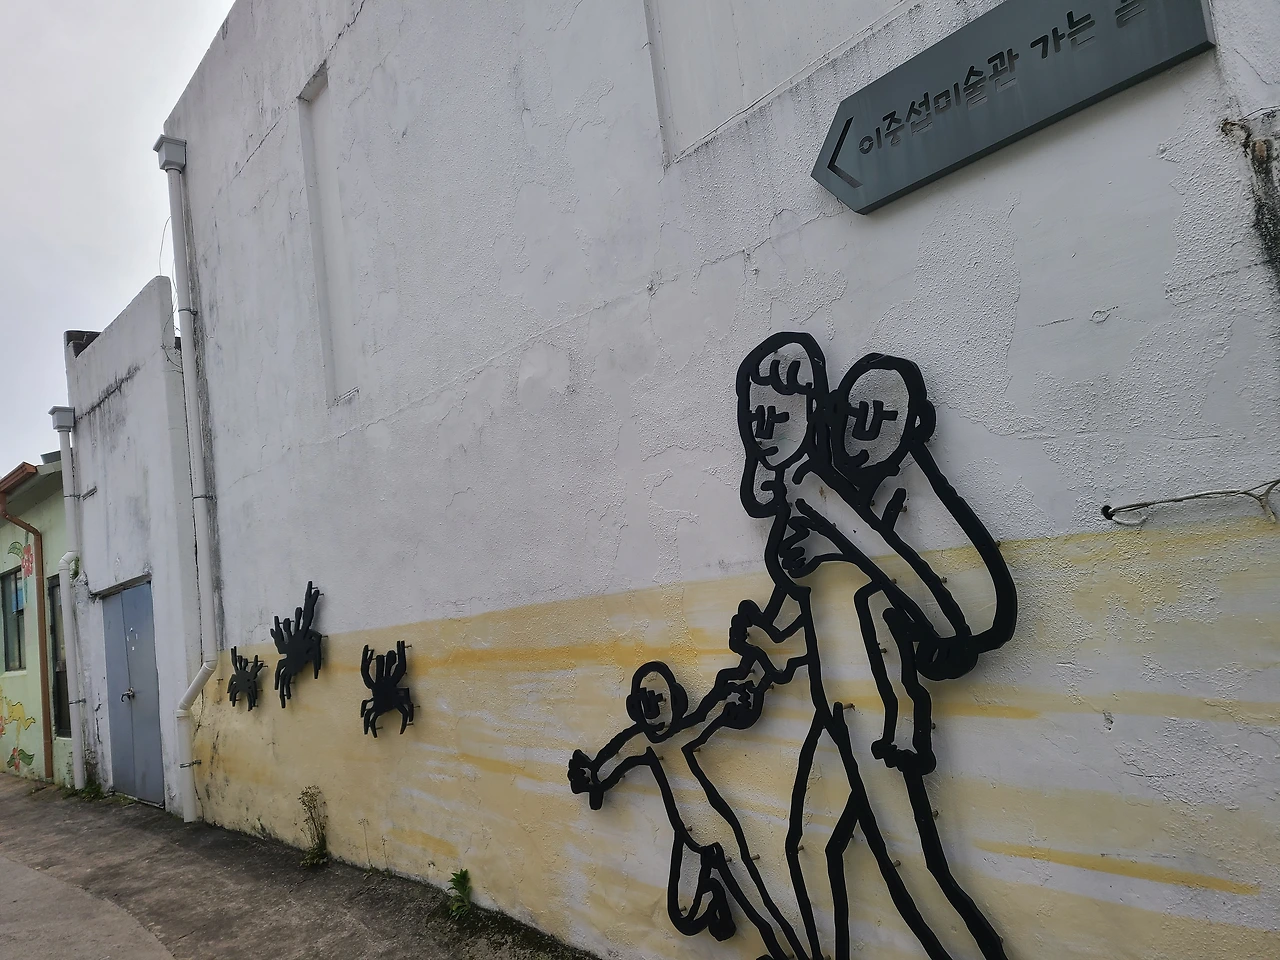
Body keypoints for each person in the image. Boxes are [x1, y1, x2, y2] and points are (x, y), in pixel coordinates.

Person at [736, 338, 1015, 960]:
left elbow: (901, 572)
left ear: (812, 412)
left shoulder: (817, 488)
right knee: (810, 848)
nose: (764, 429)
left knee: (911, 868)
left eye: (778, 412)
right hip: (838, 708)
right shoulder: (809, 503)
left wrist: (945, 631)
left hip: (876, 713)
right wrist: (765, 646)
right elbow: (817, 611)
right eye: (757, 415)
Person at [569, 656, 808, 960]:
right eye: (646, 705)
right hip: (690, 833)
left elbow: (717, 701)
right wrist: (592, 774)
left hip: (715, 826)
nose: (654, 712)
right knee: (685, 917)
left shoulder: (688, 729)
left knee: (759, 902)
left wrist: (751, 677)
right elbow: (613, 759)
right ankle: (717, 897)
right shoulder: (645, 742)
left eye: (659, 701)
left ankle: (789, 951)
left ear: (676, 701)